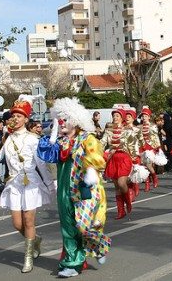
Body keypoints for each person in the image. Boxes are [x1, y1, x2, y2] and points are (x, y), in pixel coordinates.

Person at [0, 95, 54, 273]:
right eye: (13, 115)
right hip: (14, 182)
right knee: (17, 223)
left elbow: (41, 165)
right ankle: (35, 240)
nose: (15, 118)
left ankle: (28, 257)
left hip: (30, 183)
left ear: (26, 119)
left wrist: (49, 184)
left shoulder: (32, 139)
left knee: (29, 221)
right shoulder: (7, 138)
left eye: (19, 116)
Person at [38, 98, 110, 278]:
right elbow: (45, 153)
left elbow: (97, 158)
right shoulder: (60, 142)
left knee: (84, 226)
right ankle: (72, 262)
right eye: (59, 118)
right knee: (68, 227)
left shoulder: (87, 138)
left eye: (65, 118)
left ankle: (99, 246)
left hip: (85, 190)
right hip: (64, 189)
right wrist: (53, 133)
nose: (61, 122)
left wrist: (92, 172)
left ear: (75, 120)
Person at [100, 107, 134, 220]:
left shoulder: (128, 131)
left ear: (122, 118)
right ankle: (120, 211)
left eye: (117, 116)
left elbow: (133, 146)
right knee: (116, 186)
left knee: (121, 183)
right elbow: (102, 143)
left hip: (124, 158)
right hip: (113, 159)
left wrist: (136, 159)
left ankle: (128, 201)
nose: (115, 117)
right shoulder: (109, 131)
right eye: (114, 116)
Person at [138, 106, 161, 192]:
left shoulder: (153, 126)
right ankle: (147, 183)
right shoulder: (139, 127)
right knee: (143, 166)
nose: (144, 118)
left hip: (150, 147)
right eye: (142, 116)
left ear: (149, 117)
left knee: (148, 165)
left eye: (145, 116)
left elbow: (155, 137)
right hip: (141, 147)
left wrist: (158, 147)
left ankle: (154, 177)